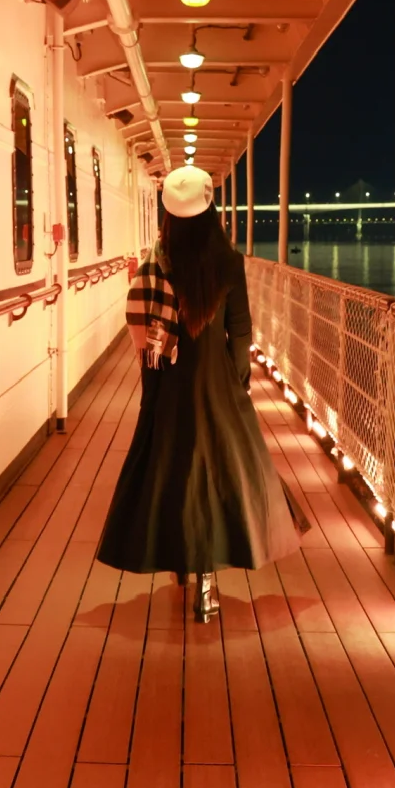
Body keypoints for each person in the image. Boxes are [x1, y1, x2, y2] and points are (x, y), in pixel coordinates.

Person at [97, 164, 308, 621]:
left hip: (169, 382)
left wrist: (151, 389)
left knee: (171, 472)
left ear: (169, 216)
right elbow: (240, 332)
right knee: (221, 477)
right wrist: (238, 384)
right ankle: (208, 584)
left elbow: (148, 335)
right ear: (211, 212)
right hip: (218, 383)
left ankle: (181, 562)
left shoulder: (158, 263)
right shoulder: (229, 263)